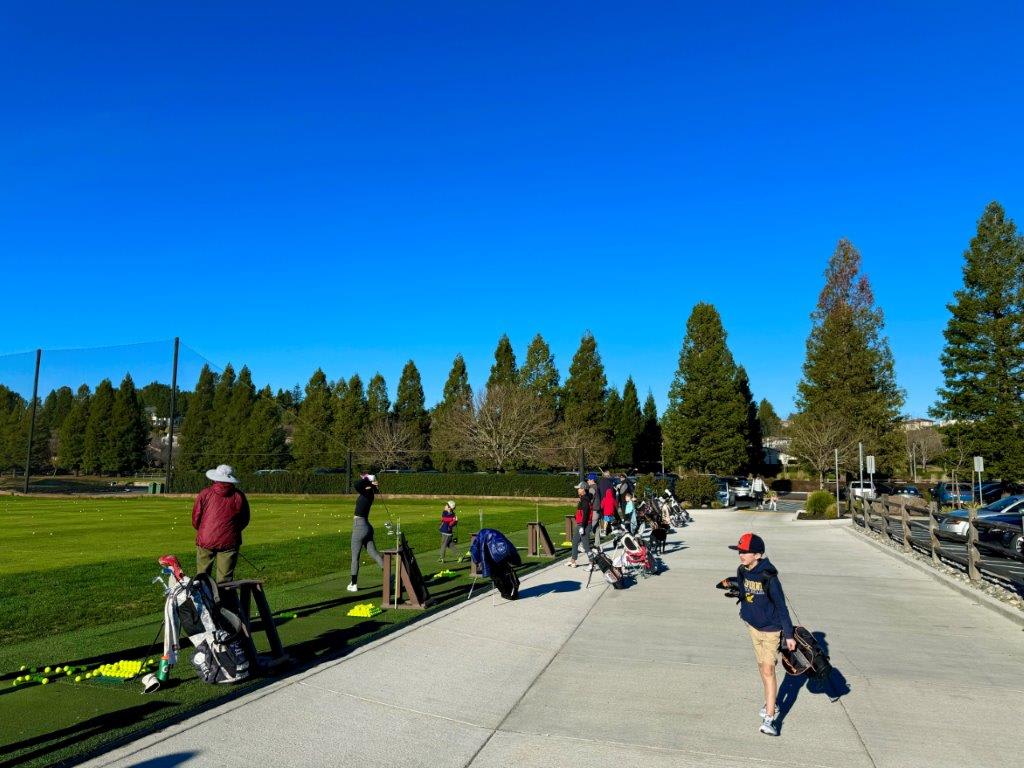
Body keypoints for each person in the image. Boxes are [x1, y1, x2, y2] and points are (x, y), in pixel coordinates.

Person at [728, 532, 797, 737]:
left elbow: (781, 607)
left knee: (768, 671)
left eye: (745, 552)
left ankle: (770, 719)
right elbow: (745, 593)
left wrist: (789, 634)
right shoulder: (742, 571)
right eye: (739, 551)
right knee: (762, 668)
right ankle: (771, 702)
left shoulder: (769, 577)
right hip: (753, 627)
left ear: (757, 554)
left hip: (771, 630)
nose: (741, 555)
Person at [192, 464, 250, 583]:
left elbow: (196, 518)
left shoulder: (205, 493)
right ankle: (224, 601)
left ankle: (204, 600)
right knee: (225, 580)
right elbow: (244, 519)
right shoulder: (239, 495)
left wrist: (203, 530)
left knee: (202, 577)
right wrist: (233, 530)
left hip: (206, 539)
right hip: (229, 541)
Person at [348, 473, 385, 592]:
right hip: (367, 526)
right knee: (374, 553)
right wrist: (369, 482)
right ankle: (387, 575)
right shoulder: (370, 492)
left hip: (359, 526)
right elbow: (360, 484)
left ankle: (353, 584)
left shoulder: (366, 492)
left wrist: (367, 481)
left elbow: (356, 484)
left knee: (355, 557)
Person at [568, 482, 593, 568]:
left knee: (586, 545)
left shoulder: (585, 499)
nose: (578, 490)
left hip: (584, 525)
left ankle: (591, 562)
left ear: (583, 489)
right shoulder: (583, 498)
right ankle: (573, 561)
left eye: (579, 488)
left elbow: (586, 514)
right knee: (574, 542)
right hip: (580, 524)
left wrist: (582, 526)